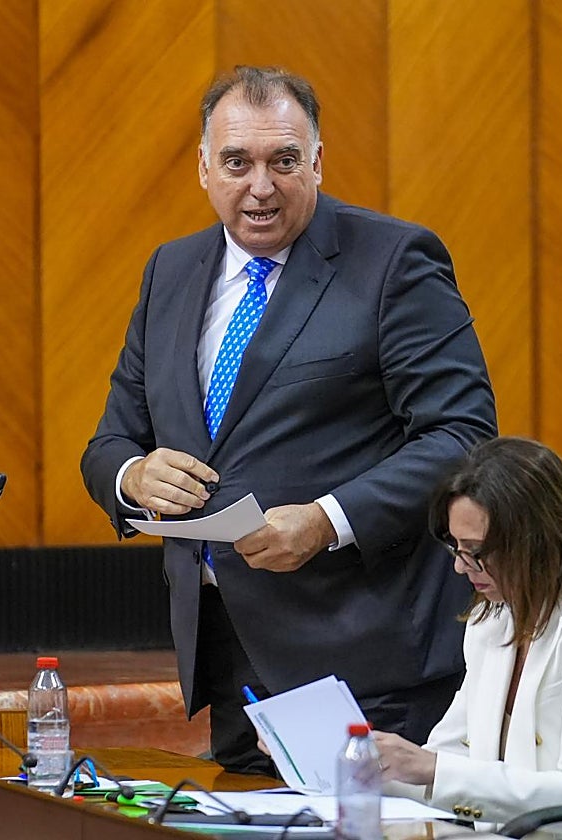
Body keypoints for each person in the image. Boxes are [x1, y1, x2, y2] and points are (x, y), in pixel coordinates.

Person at [80, 65, 497, 774]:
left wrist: (327, 519)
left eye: (284, 161)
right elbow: (111, 441)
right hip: (229, 657)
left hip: (365, 659)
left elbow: (462, 437)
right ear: (205, 169)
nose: (261, 186)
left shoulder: (395, 262)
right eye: (238, 163)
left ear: (319, 163)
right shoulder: (170, 272)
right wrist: (133, 475)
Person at [374, 436, 562, 827]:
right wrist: (351, 763)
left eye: (475, 551)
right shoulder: (492, 621)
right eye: (456, 548)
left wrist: (430, 769)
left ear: (536, 541)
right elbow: (444, 765)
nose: (461, 567)